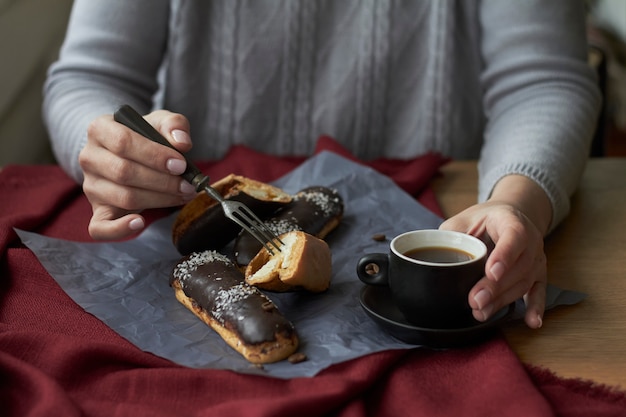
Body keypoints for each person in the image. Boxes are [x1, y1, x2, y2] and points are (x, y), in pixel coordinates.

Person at [43, 0, 601, 330]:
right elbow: (89, 77)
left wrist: (515, 201)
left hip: (439, 208)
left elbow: (543, 79)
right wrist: (111, 152)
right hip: (176, 225)